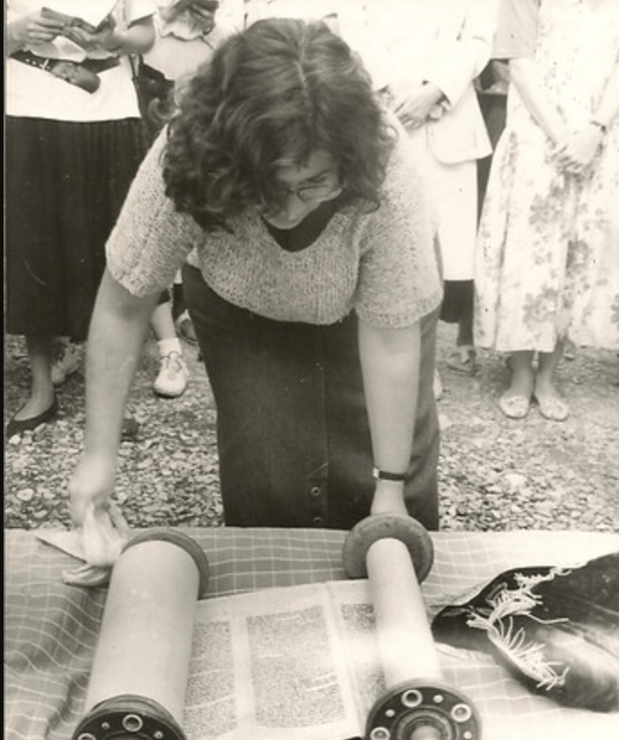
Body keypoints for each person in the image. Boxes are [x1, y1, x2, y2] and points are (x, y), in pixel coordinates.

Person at [69, 17, 443, 531]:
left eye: (313, 183)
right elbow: (122, 303)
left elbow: (391, 344)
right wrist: (97, 459)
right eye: (265, 187)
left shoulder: (388, 171)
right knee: (267, 474)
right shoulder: (188, 152)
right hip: (239, 309)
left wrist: (392, 489)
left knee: (392, 500)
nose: (288, 210)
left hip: (374, 316)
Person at [6, 0, 156, 438]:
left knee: (112, 249)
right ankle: (40, 390)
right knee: (34, 245)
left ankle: (105, 399)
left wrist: (116, 39)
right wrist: (19, 30)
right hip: (29, 103)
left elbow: (146, 34)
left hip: (107, 105)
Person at [475, 0, 619, 421]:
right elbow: (520, 64)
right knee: (533, 255)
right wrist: (564, 139)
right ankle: (521, 373)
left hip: (597, 136)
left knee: (576, 257)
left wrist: (595, 131)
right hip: (540, 134)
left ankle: (549, 376)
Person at [340, 1, 498, 385]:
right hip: (378, 105)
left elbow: (477, 39)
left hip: (447, 115)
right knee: (377, 243)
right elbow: (352, 20)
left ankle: (424, 365)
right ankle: (372, 361)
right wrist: (389, 85)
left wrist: (435, 90)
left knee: (440, 252)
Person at [138, 0, 237, 398]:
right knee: (150, 238)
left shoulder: (224, 39)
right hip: (142, 146)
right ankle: (168, 349)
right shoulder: (145, 32)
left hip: (198, 150)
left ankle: (192, 316)